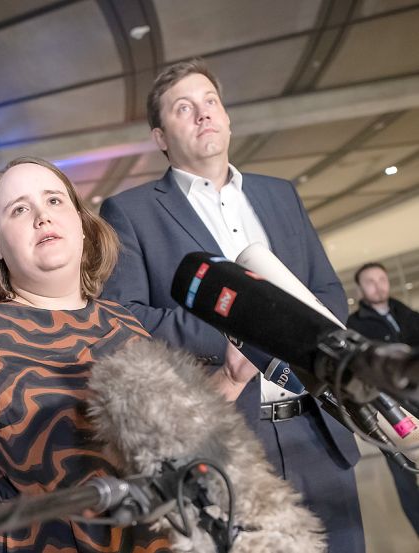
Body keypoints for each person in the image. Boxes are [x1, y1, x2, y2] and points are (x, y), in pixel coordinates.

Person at [98, 59, 364, 552]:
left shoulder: (279, 194)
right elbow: (127, 318)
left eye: (210, 102)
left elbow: (327, 293)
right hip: (228, 437)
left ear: (227, 117)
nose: (203, 114)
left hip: (317, 426)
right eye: (183, 108)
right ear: (160, 136)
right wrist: (238, 332)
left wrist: (293, 334)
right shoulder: (129, 212)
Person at [0, 157, 171, 552]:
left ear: (81, 225)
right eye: (19, 209)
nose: (42, 216)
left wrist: (230, 378)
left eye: (54, 201)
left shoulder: (126, 326)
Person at [347, 262, 419, 536]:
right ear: (360, 289)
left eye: (381, 279)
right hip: (390, 415)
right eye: (370, 281)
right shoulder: (354, 326)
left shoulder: (407, 314)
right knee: (406, 480)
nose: (378, 285)